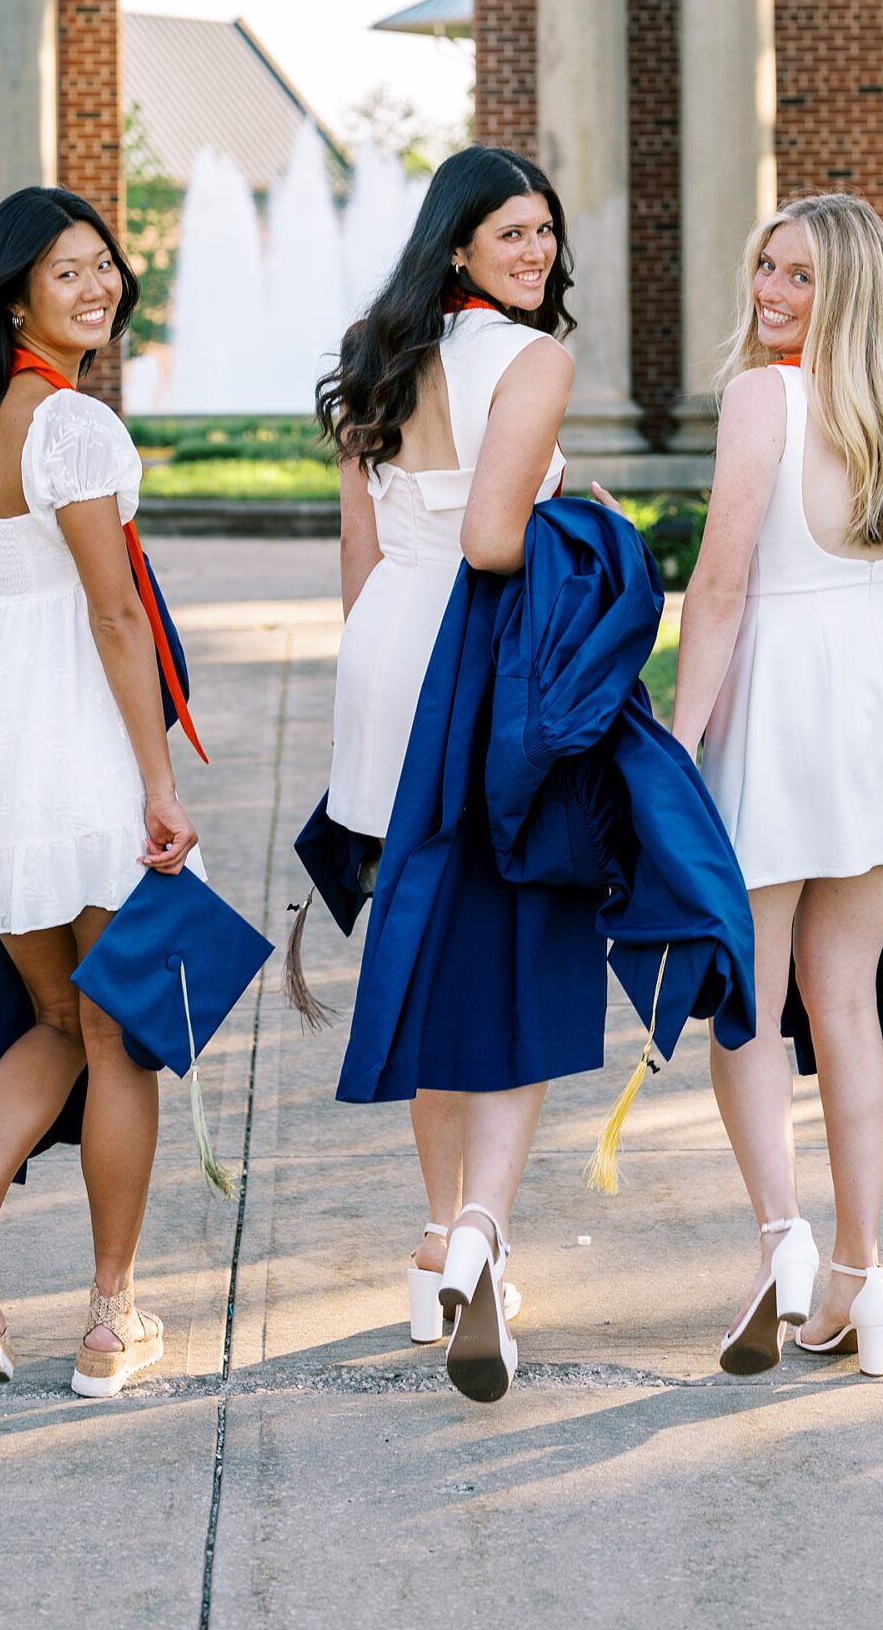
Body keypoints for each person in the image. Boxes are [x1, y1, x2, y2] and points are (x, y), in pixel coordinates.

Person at [0, 186, 200, 1397]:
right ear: (16, 290)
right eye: (68, 273)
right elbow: (117, 614)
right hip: (79, 750)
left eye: (104, 268)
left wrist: (4, 578)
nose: (98, 288)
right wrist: (158, 786)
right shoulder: (76, 427)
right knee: (119, 1034)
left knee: (60, 1019)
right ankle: (112, 1321)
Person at [670, 192, 883, 1379]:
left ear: (842, 289)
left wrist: (681, 742)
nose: (770, 294)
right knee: (845, 1005)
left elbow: (723, 583)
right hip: (882, 704)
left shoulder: (764, 396)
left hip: (781, 699)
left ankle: (784, 1245)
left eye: (797, 276)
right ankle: (862, 1273)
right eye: (765, 269)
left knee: (749, 996)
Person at [312, 146, 576, 1377]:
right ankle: (482, 1231)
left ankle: (433, 1250)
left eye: (545, 233)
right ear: (459, 245)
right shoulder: (533, 361)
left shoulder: (377, 355)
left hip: (381, 659)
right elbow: (491, 540)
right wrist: (591, 533)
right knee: (513, 956)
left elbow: (362, 562)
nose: (537, 254)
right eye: (512, 234)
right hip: (476, 663)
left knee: (421, 957)